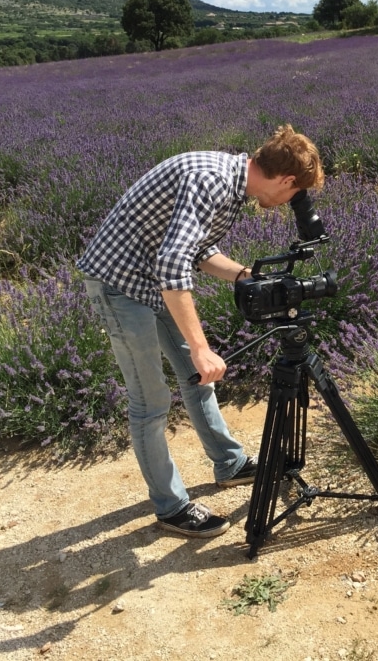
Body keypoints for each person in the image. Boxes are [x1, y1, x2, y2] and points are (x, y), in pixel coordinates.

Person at [77, 124, 325, 538]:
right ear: (284, 180)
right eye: (293, 195)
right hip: (118, 284)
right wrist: (200, 347)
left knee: (198, 382)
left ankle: (228, 463)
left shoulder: (231, 185)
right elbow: (176, 265)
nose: (289, 203)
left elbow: (199, 252)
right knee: (150, 399)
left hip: (151, 280)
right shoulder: (210, 180)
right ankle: (170, 506)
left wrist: (247, 277)